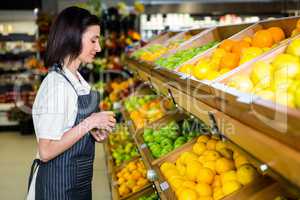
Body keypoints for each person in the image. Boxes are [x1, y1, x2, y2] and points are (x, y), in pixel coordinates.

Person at [26, 6, 116, 200]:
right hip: (57, 188)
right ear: (73, 37)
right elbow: (46, 150)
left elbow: (69, 127)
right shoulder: (57, 86)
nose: (98, 48)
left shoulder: (77, 80)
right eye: (93, 40)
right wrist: (89, 123)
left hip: (77, 182)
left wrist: (93, 131)